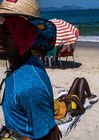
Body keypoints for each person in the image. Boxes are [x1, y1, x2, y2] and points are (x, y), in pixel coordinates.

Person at [0, 0, 61, 140]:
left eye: (7, 31)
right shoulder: (22, 64)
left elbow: (49, 135)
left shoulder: (30, 87)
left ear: (24, 35)